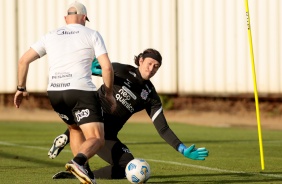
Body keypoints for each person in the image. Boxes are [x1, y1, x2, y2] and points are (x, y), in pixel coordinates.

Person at [49, 48, 209, 180]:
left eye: (156, 66)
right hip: (90, 124)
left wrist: (182, 148)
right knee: (87, 124)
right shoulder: (119, 70)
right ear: (140, 61)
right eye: (149, 63)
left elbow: (163, 129)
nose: (151, 68)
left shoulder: (151, 96)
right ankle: (70, 133)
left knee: (127, 166)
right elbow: (86, 72)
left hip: (107, 137)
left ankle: (80, 175)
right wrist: (89, 67)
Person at [13, 1, 116, 184]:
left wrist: (21, 88)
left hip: (55, 92)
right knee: (97, 138)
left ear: (66, 19)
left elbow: (23, 61)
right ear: (84, 18)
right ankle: (78, 162)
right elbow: (107, 68)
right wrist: (108, 94)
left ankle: (85, 172)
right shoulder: (92, 34)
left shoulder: (51, 35)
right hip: (80, 90)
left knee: (74, 128)